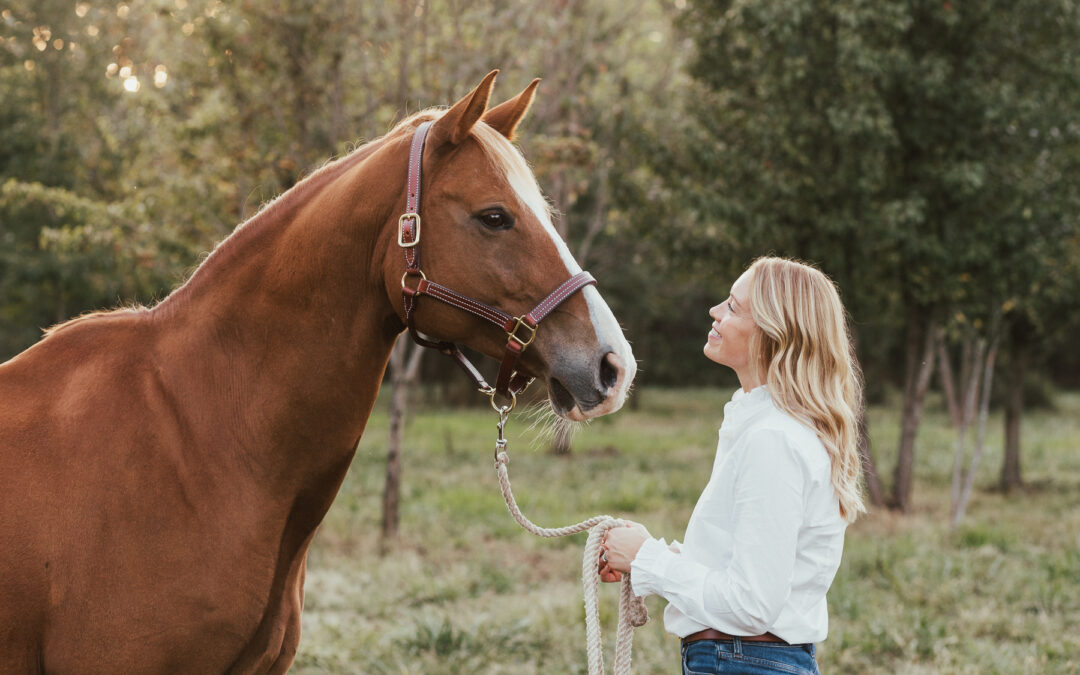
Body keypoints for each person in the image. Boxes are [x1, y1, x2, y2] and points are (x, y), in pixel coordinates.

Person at [599, 256, 865, 675]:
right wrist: (646, 555)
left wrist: (649, 560)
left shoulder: (773, 439)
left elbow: (751, 603)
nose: (715, 311)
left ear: (773, 334)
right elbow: (742, 566)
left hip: (744, 661)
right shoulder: (770, 428)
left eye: (733, 306)